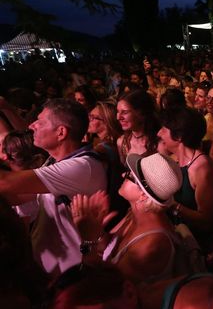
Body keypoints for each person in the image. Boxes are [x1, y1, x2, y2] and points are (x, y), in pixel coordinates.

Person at [0, 99, 107, 277]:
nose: (32, 125)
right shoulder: (55, 161)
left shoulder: (82, 166)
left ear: (61, 132)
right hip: (52, 268)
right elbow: (17, 195)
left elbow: (5, 184)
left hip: (72, 272)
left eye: (40, 122)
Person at [71, 152, 185, 284]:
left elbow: (105, 287)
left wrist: (88, 240)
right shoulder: (135, 213)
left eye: (130, 176)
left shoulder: (151, 245)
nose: (123, 175)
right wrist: (98, 230)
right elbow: (108, 249)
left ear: (143, 195)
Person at [159, 107, 213, 235]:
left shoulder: (202, 168)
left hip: (192, 238)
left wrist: (173, 205)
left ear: (179, 136)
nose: (158, 134)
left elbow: (206, 220)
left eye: (163, 130)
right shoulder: (172, 159)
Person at [116, 89, 161, 164]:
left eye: (125, 112)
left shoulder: (160, 143)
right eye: (118, 112)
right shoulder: (122, 143)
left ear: (141, 113)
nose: (118, 117)